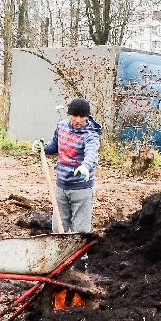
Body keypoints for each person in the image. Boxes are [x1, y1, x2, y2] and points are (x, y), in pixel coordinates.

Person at [33, 98, 102, 234]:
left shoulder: (91, 134)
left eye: (81, 116)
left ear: (87, 117)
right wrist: (41, 147)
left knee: (81, 231)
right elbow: (53, 146)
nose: (77, 120)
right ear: (69, 114)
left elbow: (91, 153)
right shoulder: (62, 127)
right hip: (61, 186)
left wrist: (85, 167)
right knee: (58, 229)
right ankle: (61, 254)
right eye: (74, 115)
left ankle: (82, 255)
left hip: (81, 188)